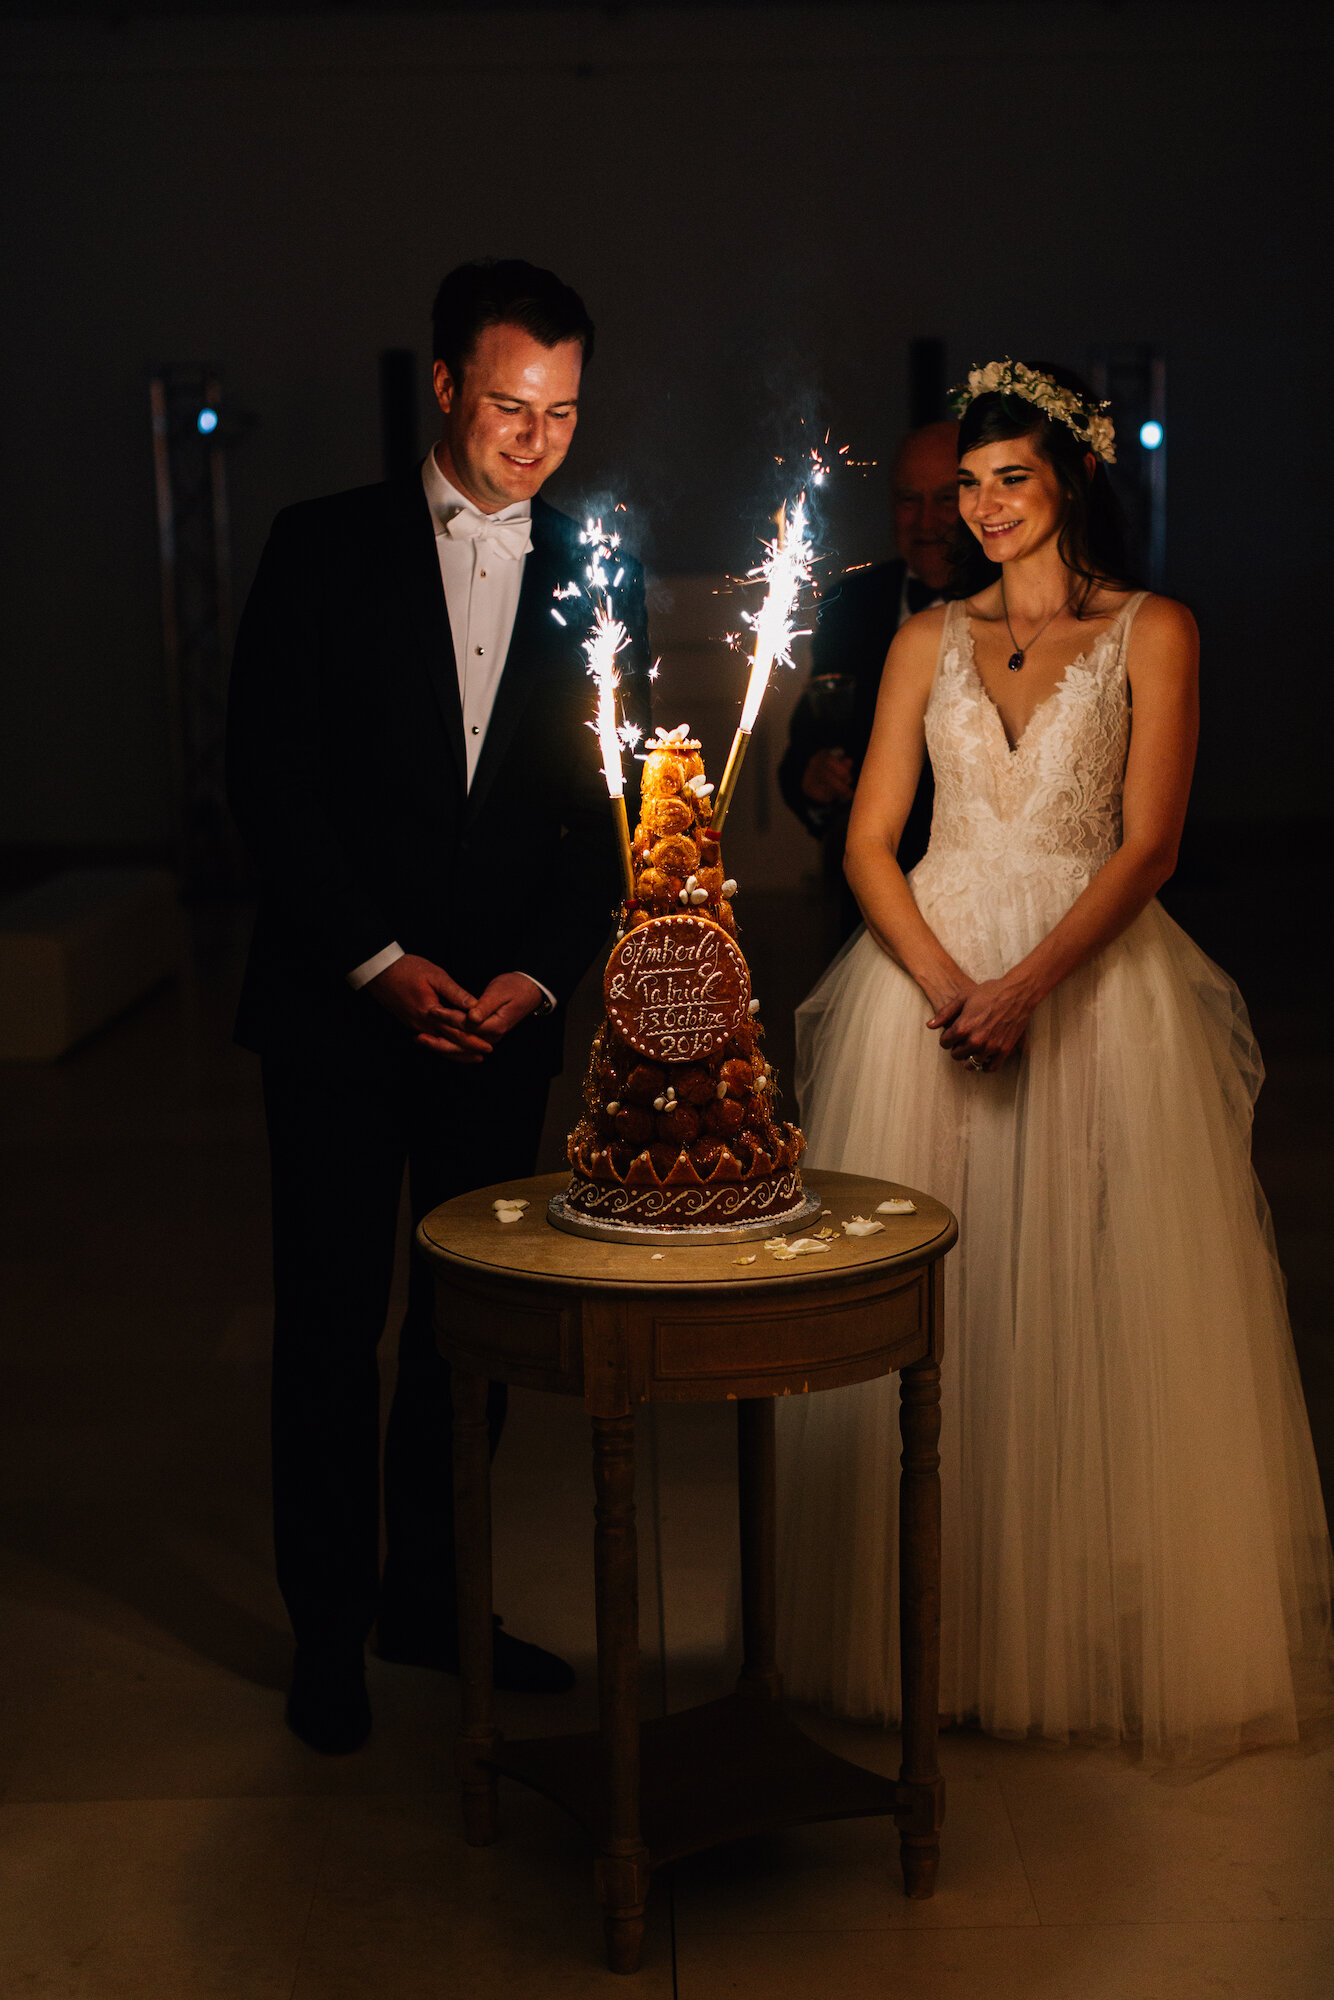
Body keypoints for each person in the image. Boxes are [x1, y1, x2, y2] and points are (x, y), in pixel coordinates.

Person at [774, 360, 1332, 1761]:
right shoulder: (923, 640)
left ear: (1070, 478)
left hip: (1091, 979)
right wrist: (954, 983)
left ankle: (1081, 1623)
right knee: (946, 1306)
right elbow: (864, 844)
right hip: (934, 973)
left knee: (1098, 1299)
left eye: (1006, 479)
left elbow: (1147, 844)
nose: (980, 509)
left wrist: (1028, 986)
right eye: (965, 487)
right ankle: (936, 1625)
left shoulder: (1153, 631)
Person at [226, 260, 651, 1754]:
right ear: (446, 388)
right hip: (345, 1009)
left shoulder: (601, 563)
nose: (534, 439)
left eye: (564, 413)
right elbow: (268, 785)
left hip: (499, 1016)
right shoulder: (320, 546)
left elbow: (610, 802)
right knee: (333, 1326)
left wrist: (537, 974)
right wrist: (375, 960)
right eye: (510, 406)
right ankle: (329, 1633)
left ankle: (433, 1604)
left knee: (471, 1335)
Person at [778, 420, 957, 940]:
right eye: (909, 500)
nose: (926, 521)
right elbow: (804, 745)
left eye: (946, 500)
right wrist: (813, 779)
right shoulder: (852, 602)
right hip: (871, 902)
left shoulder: (1020, 605)